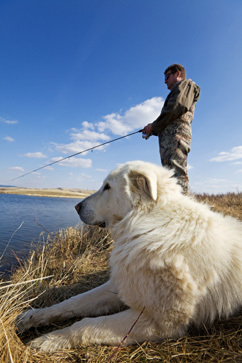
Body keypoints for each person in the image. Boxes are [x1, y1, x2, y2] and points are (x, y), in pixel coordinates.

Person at [142, 64, 200, 194]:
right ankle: (175, 210)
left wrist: (154, 125)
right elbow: (170, 117)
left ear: (178, 74)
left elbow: (177, 107)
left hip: (176, 138)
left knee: (177, 177)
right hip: (169, 141)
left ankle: (183, 212)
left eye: (167, 76)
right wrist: (153, 129)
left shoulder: (186, 84)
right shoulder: (178, 90)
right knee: (171, 177)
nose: (165, 81)